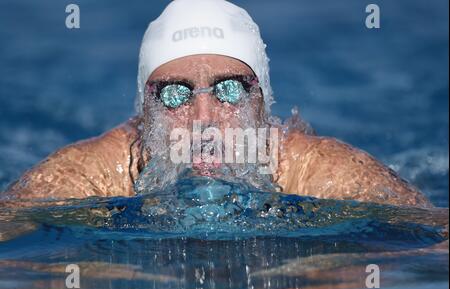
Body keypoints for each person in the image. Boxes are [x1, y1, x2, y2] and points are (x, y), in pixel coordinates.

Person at [0, 0, 432, 208]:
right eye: (175, 94)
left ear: (263, 104)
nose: (203, 121)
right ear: (141, 115)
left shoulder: (319, 170)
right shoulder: (88, 174)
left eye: (229, 90)